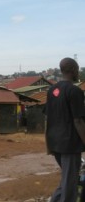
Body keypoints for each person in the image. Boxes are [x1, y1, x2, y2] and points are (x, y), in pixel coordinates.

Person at [44, 57, 85, 202]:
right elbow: (78, 120)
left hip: (55, 142)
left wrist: (48, 142)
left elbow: (48, 117)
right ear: (73, 69)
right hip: (70, 144)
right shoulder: (75, 91)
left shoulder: (51, 90)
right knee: (70, 184)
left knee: (69, 178)